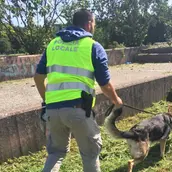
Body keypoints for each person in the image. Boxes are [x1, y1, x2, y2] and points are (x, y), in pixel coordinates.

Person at [34, 9, 123, 172]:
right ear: (89, 24)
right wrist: (116, 100)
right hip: (78, 110)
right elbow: (105, 84)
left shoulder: (52, 45)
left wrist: (47, 101)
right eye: (94, 24)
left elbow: (38, 78)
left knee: (56, 153)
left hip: (52, 111)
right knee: (90, 154)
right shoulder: (93, 46)